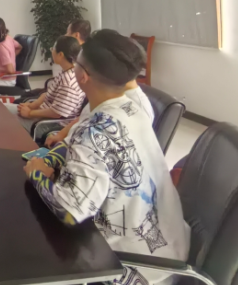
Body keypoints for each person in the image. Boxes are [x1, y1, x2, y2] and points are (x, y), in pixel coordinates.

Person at [24, 30, 189, 285]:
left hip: (139, 269)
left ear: (83, 75)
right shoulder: (132, 106)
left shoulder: (92, 130)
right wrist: (54, 160)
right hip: (172, 249)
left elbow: (70, 211)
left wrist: (36, 173)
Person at [40, 29, 154, 148]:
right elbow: (84, 117)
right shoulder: (106, 92)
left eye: (78, 63)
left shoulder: (137, 109)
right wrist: (61, 135)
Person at [7, 36, 83, 132]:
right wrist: (33, 105)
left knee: (4, 119)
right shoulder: (67, 72)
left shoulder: (69, 82)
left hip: (48, 124)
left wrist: (30, 113)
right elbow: (48, 95)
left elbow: (56, 113)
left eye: (53, 49)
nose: (51, 51)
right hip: (42, 115)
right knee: (3, 109)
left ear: (60, 55)